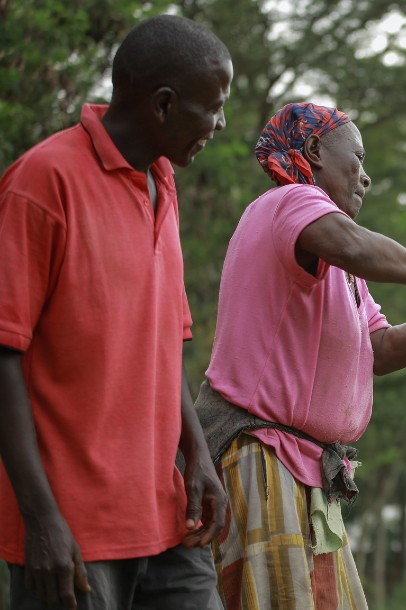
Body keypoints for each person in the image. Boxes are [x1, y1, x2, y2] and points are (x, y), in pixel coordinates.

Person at [194, 102, 406, 609]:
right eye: (356, 158)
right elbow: (352, 243)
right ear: (314, 152)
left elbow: (382, 348)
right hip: (261, 453)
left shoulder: (343, 269)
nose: (367, 177)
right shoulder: (289, 203)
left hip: (308, 470)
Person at [0, 14, 232, 610]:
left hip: (165, 510)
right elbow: (3, 354)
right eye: (213, 107)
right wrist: (40, 520)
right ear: (162, 105)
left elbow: (165, 341)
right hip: (73, 532)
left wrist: (197, 456)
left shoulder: (162, 181)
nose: (220, 124)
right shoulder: (42, 182)